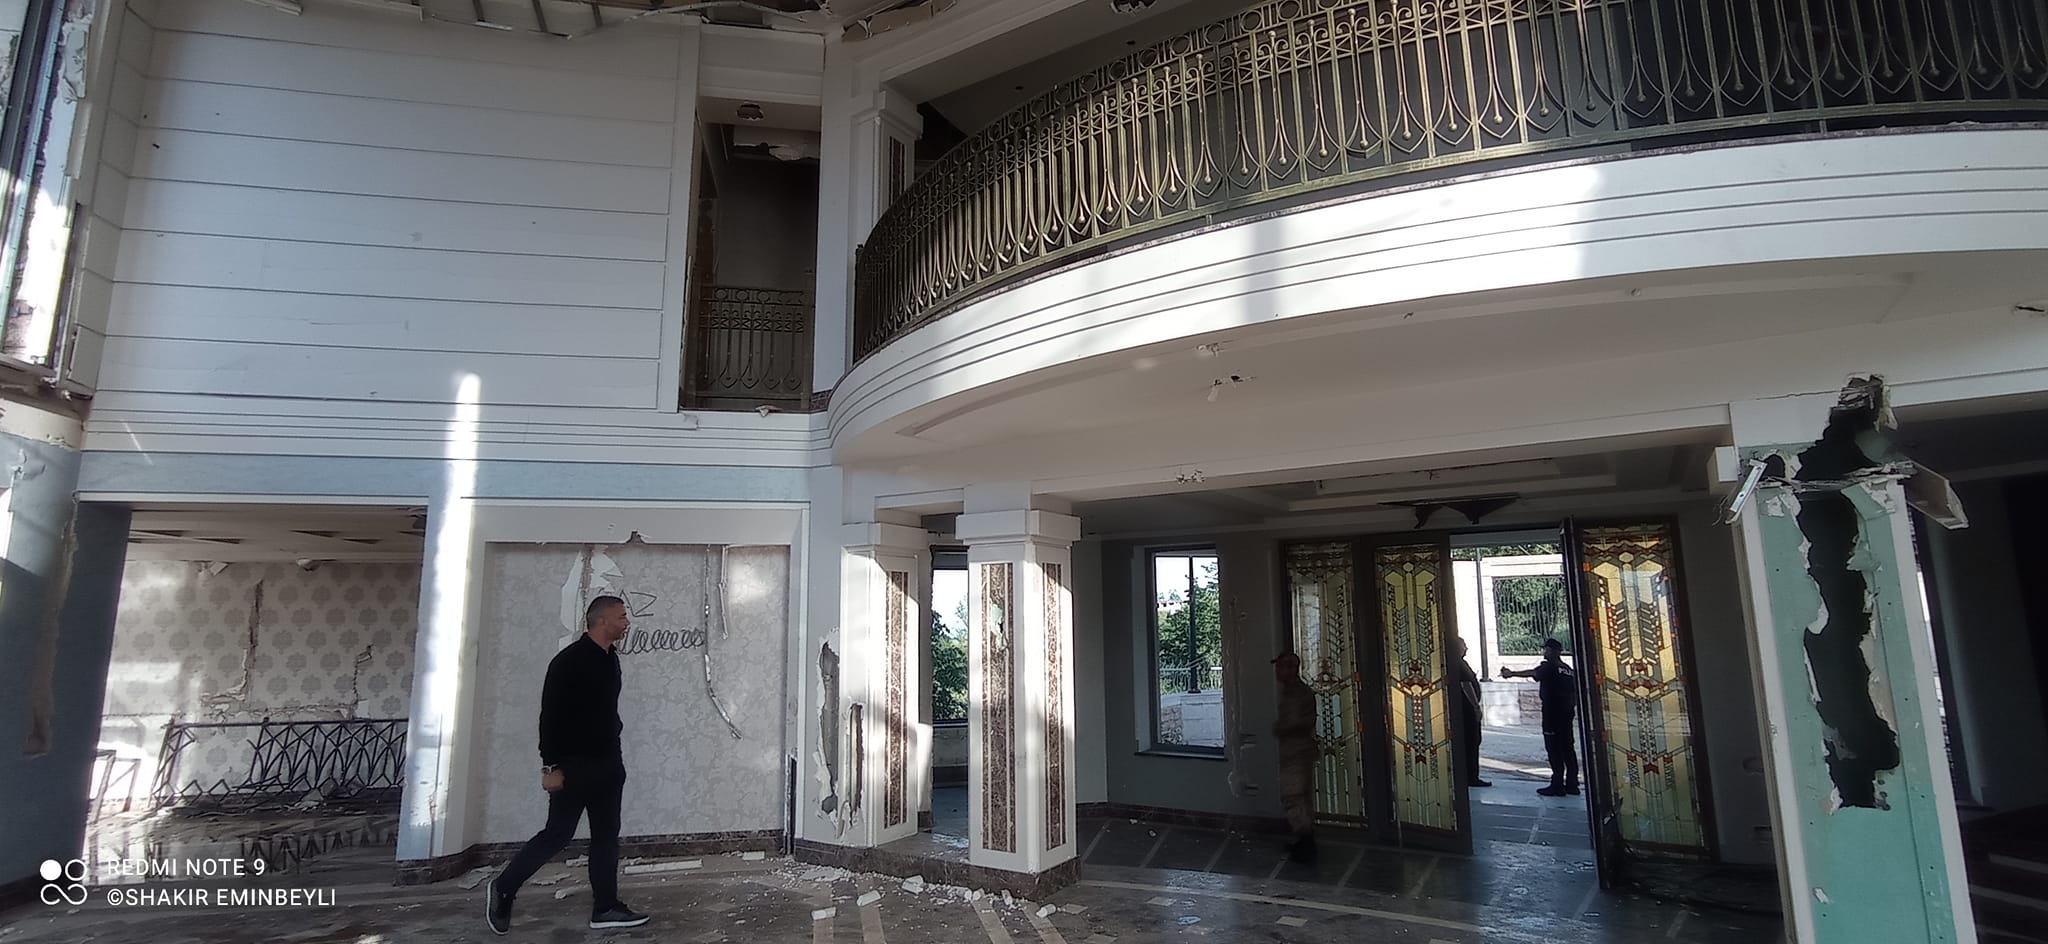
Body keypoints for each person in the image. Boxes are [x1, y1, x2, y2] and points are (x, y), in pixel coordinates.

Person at [486, 595, 651, 933]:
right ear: (602, 621)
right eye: (622, 617)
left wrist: (615, 754)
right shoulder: (568, 662)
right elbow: (550, 717)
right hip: (574, 766)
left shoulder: (611, 659)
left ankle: (605, 908)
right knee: (558, 834)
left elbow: (605, 712)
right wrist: (550, 767)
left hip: (608, 764)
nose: (627, 622)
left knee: (606, 836)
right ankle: (503, 887)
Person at [1501, 637, 1579, 797]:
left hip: (1552, 712)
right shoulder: (1567, 669)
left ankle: (1557, 784)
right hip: (1567, 712)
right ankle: (1572, 784)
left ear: (1553, 651)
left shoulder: (1550, 666)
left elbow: (1533, 673)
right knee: (1567, 747)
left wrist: (1511, 673)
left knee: (1554, 748)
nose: (1545, 652)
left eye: (1547, 649)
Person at [1272, 652, 1319, 863]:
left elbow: (1294, 723)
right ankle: (1303, 840)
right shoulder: (1292, 692)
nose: (1277, 671)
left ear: (1291, 669)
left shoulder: (1297, 694)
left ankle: (1305, 842)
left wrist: (1280, 729)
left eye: (1281, 667)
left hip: (1296, 751)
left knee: (1293, 795)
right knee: (1297, 796)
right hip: (1296, 750)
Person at [1452, 638, 1490, 788]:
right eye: (1463, 646)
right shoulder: (1459, 664)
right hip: (1467, 711)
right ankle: (1471, 776)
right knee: (1471, 742)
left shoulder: (1459, 663)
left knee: (1472, 742)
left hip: (1465, 710)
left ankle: (1468, 775)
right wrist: (1475, 707)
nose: (1466, 648)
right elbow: (1466, 685)